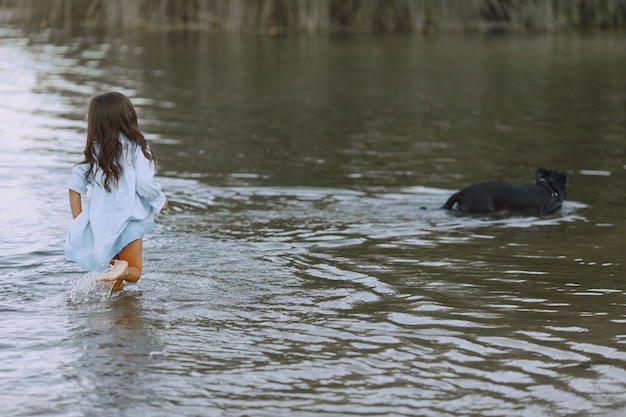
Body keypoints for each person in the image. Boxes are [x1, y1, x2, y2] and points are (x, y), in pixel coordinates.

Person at [65, 92, 167, 291]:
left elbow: (74, 187)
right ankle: (122, 278)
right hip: (130, 221)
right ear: (128, 116)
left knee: (111, 279)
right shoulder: (137, 148)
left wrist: (79, 222)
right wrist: (159, 200)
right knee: (133, 272)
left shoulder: (94, 152)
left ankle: (106, 317)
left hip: (101, 224)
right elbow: (144, 184)